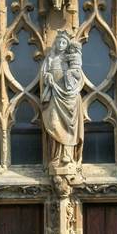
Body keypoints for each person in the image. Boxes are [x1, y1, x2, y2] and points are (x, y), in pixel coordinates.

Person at [41, 31, 84, 167]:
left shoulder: (71, 58)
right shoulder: (50, 59)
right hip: (54, 93)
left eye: (64, 42)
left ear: (67, 45)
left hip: (69, 96)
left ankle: (67, 155)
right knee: (54, 123)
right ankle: (55, 157)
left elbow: (78, 75)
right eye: (58, 42)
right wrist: (47, 77)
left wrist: (71, 80)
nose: (61, 45)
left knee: (69, 127)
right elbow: (44, 73)